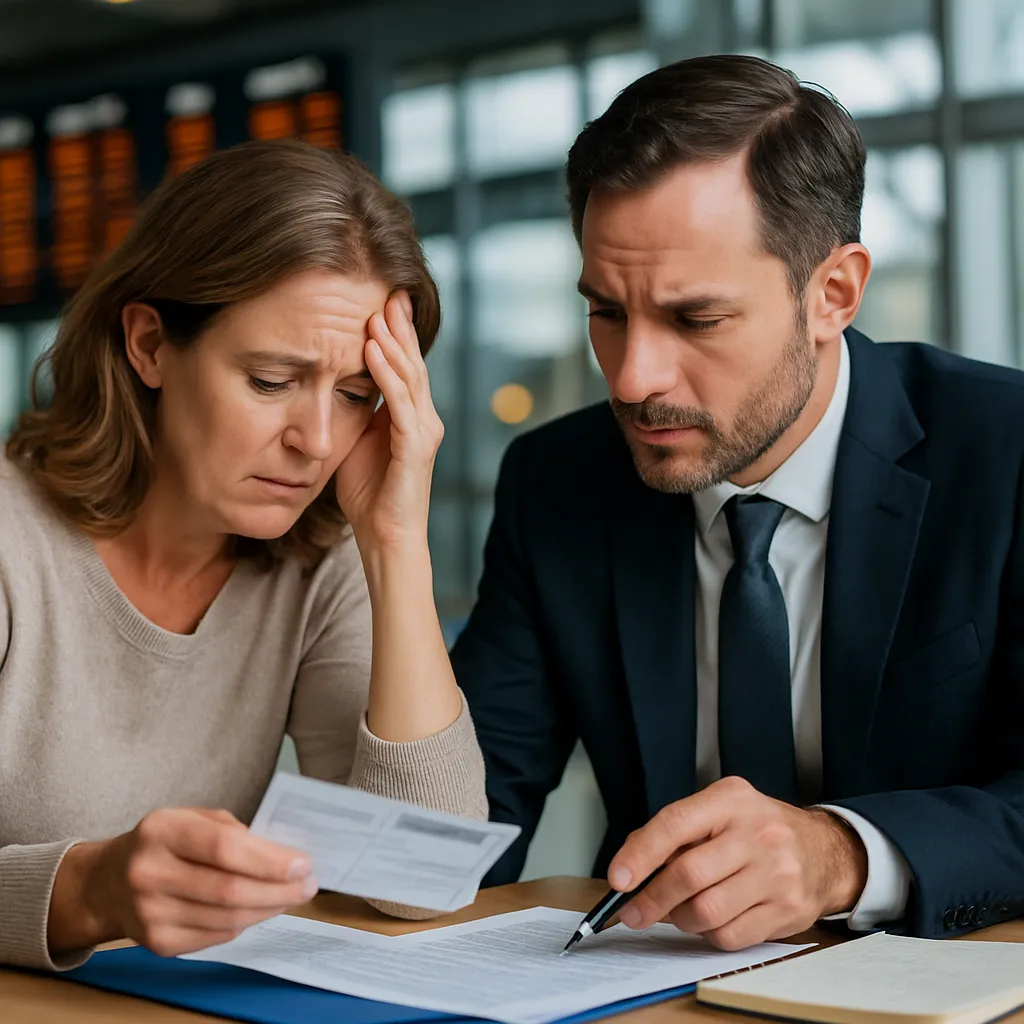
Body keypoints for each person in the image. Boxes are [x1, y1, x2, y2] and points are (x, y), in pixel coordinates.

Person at [453, 54, 1024, 949]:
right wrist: (390, 538)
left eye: (695, 319)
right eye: (606, 312)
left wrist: (845, 855)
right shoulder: (557, 482)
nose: (634, 379)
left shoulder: (1007, 451)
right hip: (649, 985)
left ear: (833, 293)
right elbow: (462, 833)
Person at [0, 140, 485, 972]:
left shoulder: (316, 562)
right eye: (269, 381)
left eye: (357, 396)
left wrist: (396, 545)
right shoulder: (15, 545)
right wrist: (89, 892)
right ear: (149, 344)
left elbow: (425, 877)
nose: (317, 442)